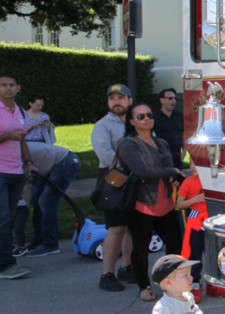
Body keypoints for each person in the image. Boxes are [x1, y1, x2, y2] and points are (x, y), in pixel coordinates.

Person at [121, 102, 186, 302]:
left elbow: (170, 166)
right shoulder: (129, 143)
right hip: (142, 203)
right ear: (131, 121)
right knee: (140, 248)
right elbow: (142, 171)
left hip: (166, 202)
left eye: (149, 114)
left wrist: (174, 175)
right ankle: (145, 286)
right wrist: (171, 172)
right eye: (140, 116)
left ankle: (171, 283)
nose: (147, 118)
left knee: (174, 245)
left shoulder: (162, 142)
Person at [91, 83, 135, 291]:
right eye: (112, 98)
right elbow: (105, 155)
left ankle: (126, 267)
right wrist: (134, 165)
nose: (116, 102)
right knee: (116, 227)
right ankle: (106, 274)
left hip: (134, 179)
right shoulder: (102, 126)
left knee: (131, 227)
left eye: (120, 98)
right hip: (113, 180)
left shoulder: (136, 122)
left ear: (129, 101)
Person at [175, 168, 225, 301]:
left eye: (197, 162)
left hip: (212, 219)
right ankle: (194, 286)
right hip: (195, 222)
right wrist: (196, 199)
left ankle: (213, 283)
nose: (194, 166)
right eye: (192, 162)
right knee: (195, 255)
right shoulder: (188, 182)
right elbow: (179, 204)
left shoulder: (214, 179)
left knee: (213, 254)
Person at [22, 141, 81, 257]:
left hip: (65, 162)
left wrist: (23, 210)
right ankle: (39, 241)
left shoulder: (8, 154)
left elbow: (23, 188)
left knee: (46, 201)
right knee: (37, 201)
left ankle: (50, 244)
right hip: (55, 164)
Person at [0, 72, 32, 279]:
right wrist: (7, 136)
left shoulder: (20, 111)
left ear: (18, 88)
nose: (8, 88)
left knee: (8, 218)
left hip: (16, 171)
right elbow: (12, 136)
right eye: (3, 85)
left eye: (12, 84)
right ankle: (6, 265)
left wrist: (28, 163)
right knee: (2, 218)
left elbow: (21, 141)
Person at [153, 88, 185, 169]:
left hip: (177, 160)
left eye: (175, 98)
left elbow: (185, 134)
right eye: (170, 98)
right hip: (161, 160)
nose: (173, 100)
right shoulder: (154, 117)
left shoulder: (179, 116)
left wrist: (184, 152)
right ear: (162, 100)